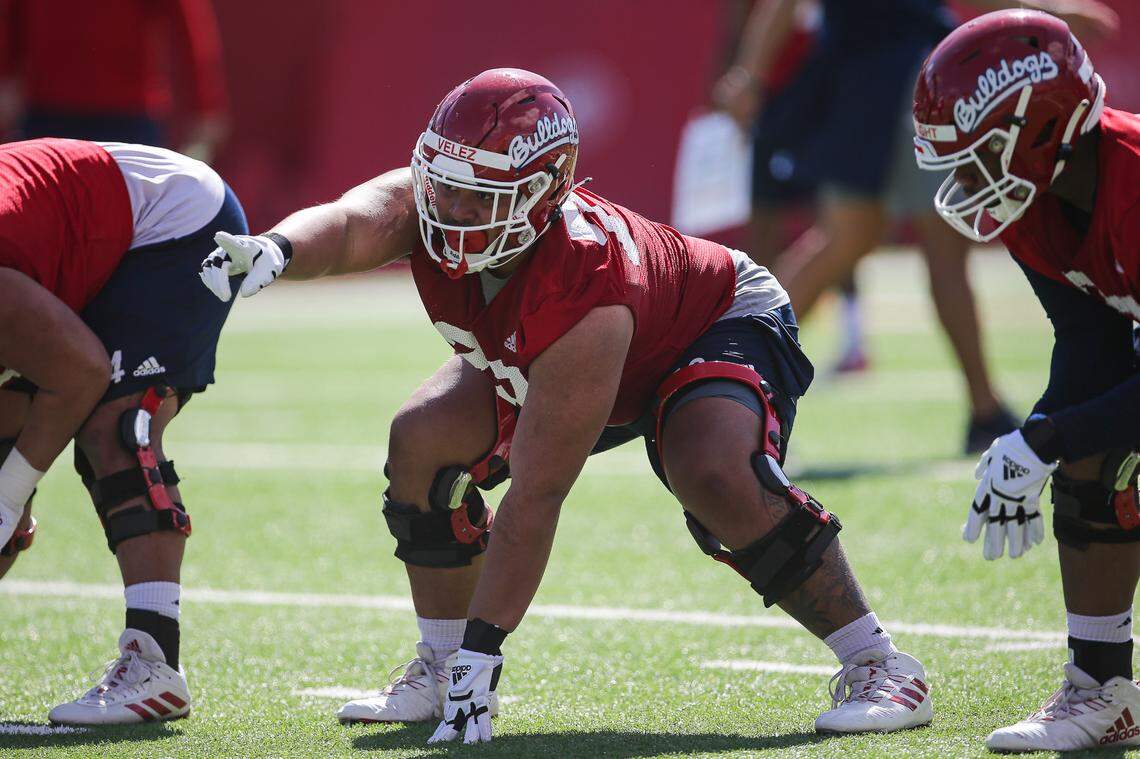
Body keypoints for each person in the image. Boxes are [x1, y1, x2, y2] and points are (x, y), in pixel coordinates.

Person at [199, 68, 933, 745]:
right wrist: (278, 249)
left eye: (478, 196)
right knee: (422, 441)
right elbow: (350, 222)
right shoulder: (431, 205)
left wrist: (487, 655)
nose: (451, 209)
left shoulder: (586, 283)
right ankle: (439, 663)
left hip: (710, 321)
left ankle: (880, 663)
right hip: (566, 346)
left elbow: (537, 493)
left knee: (712, 471)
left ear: (542, 194)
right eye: (444, 187)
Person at [715, 0, 1118, 453]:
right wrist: (1046, 14)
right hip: (909, 80)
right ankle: (985, 409)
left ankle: (729, 368)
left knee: (846, 243)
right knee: (930, 252)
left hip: (857, 83)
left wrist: (749, 76)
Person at [914, 9, 1140, 752]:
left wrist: (1045, 437)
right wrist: (1037, 439)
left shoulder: (1133, 183)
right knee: (1087, 452)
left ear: (1039, 127)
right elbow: (1089, 344)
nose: (965, 181)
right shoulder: (1037, 200)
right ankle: (1102, 691)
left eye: (978, 155)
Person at [0, 137, 247, 724]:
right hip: (79, 242)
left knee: (116, 427)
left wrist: (8, 496)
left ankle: (155, 665)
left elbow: (80, 373)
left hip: (177, 224)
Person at [0, 0, 229, 162]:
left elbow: (188, 28)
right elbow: (11, 18)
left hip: (127, 117)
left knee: (128, 212)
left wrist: (205, 108)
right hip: (48, 111)